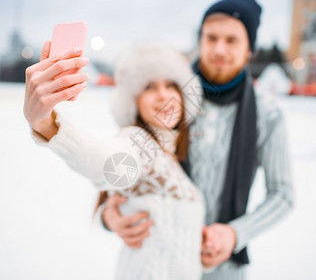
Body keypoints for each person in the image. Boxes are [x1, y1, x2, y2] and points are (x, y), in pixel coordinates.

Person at [102, 0, 294, 279]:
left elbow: (283, 195)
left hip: (223, 269)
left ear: (248, 49)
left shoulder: (267, 115)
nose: (218, 48)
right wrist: (110, 215)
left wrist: (233, 234)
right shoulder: (170, 96)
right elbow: (123, 162)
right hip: (158, 259)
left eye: (231, 40)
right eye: (211, 37)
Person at [24, 42, 206, 279]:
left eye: (171, 85)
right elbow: (107, 163)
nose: (163, 95)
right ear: (134, 102)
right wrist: (45, 124)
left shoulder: (172, 156)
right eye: (150, 86)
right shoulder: (140, 143)